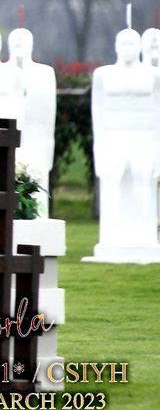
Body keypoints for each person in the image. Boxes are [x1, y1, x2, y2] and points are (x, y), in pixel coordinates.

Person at [89, 28, 160, 261]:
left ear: (139, 47)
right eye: (124, 43)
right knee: (112, 181)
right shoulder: (103, 75)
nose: (128, 49)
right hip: (113, 136)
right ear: (116, 46)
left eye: (132, 44)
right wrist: (99, 149)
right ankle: (111, 234)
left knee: (143, 180)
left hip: (143, 136)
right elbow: (97, 113)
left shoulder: (153, 75)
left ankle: (144, 234)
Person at [7, 27, 57, 216]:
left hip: (36, 137)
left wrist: (48, 151)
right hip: (8, 133)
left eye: (24, 42)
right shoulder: (1, 73)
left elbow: (49, 114)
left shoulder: (44, 73)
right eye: (16, 41)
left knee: (37, 186)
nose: (20, 45)